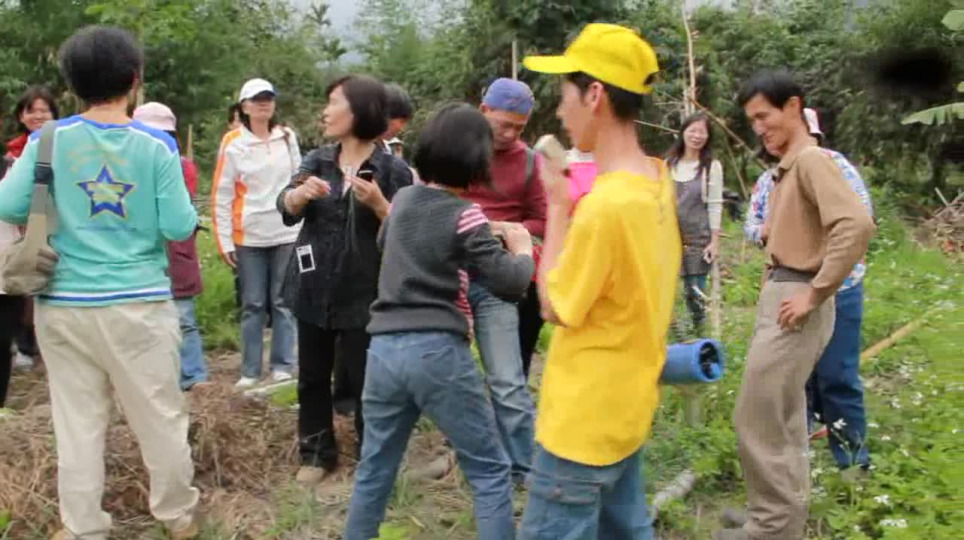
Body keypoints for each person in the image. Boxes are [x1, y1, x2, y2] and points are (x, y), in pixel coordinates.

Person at [0, 26, 200, 540]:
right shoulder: (156, 145)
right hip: (139, 304)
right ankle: (176, 515)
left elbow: (8, 205)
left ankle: (83, 526)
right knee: (159, 415)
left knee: (77, 422)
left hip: (63, 303)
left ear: (71, 84)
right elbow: (179, 225)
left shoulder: (47, 139)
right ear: (135, 79)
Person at [344, 102, 534, 540]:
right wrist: (522, 247)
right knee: (489, 470)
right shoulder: (465, 215)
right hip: (437, 353)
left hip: (383, 351)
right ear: (477, 160)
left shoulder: (404, 201)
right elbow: (509, 281)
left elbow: (388, 239)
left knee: (375, 469)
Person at [520, 23, 678, 539]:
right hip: (627, 412)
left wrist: (557, 207)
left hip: (581, 428)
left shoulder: (605, 207)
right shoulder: (657, 180)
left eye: (564, 95)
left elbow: (554, 305)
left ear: (594, 95)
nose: (559, 112)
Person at [715, 72, 875, 540]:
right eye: (752, 121)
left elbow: (856, 224)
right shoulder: (788, 168)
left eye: (764, 116)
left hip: (797, 298)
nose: (758, 128)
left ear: (793, 107)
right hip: (784, 294)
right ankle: (776, 517)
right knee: (782, 417)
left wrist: (816, 291)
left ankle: (770, 527)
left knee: (757, 415)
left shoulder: (811, 161)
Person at [277, 75, 413, 488]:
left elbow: (407, 233)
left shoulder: (392, 169)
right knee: (312, 376)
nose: (325, 112)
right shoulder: (317, 160)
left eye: (333, 103)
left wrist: (380, 205)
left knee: (369, 379)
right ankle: (317, 452)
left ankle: (374, 455)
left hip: (365, 293)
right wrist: (299, 196)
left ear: (360, 111)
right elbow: (286, 205)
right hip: (313, 286)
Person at [741, 108, 874, 470]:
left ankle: (853, 463)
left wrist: (821, 284)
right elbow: (752, 223)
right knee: (791, 381)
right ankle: (796, 461)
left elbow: (858, 222)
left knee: (837, 376)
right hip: (787, 291)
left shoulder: (832, 165)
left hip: (838, 288)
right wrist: (764, 232)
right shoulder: (770, 180)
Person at [455, 77, 544, 481]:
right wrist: (475, 225)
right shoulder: (456, 149)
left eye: (519, 128)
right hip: (450, 274)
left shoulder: (528, 162)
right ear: (483, 110)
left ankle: (524, 468)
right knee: (453, 376)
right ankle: (469, 455)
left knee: (507, 379)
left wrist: (507, 230)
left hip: (498, 278)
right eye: (503, 124)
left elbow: (542, 219)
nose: (510, 134)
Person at [212, 78, 301, 390]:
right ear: (244, 106)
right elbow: (222, 193)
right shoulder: (233, 142)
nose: (263, 104)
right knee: (253, 303)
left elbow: (299, 180)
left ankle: (282, 365)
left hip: (286, 231)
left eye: (268, 99)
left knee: (283, 301)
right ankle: (250, 370)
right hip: (249, 235)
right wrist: (224, 240)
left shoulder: (287, 137)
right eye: (256, 99)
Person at [133, 102, 209, 391]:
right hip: (139, 253)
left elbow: (174, 205)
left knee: (184, 316)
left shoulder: (183, 167)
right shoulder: (124, 167)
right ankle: (152, 376)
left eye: (164, 134)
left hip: (176, 251)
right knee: (142, 319)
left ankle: (193, 374)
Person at [5, 85, 59, 372]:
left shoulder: (63, 145)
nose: (38, 116)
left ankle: (43, 346)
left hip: (54, 222)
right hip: (19, 226)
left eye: (44, 110)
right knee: (23, 282)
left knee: (49, 280)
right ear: (21, 116)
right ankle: (25, 345)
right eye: (31, 110)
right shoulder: (12, 152)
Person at [665, 113, 723, 333]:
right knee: (665, 292)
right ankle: (675, 335)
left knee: (695, 293)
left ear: (708, 136)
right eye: (693, 130)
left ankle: (700, 336)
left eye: (702, 132)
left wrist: (714, 241)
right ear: (683, 132)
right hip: (669, 237)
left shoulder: (711, 167)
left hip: (698, 239)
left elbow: (715, 205)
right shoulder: (668, 165)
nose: (697, 136)